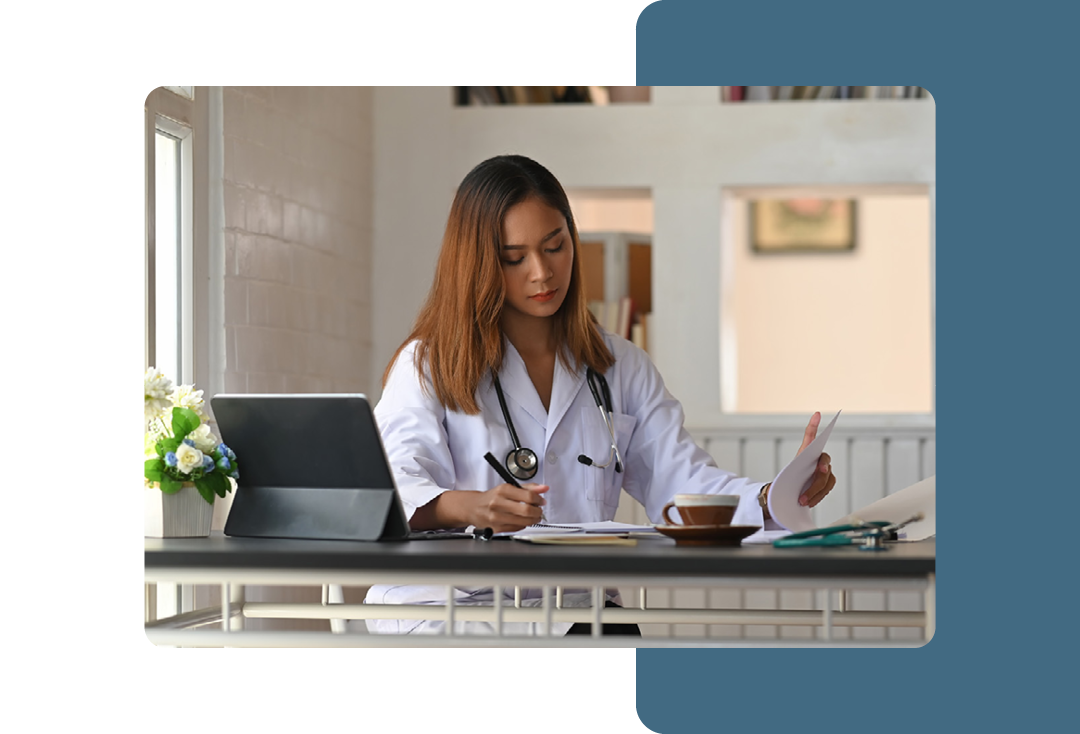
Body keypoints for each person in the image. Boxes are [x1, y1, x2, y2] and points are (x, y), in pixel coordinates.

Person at [362, 154, 837, 635]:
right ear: (478, 263)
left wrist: (773, 494)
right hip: (451, 608)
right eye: (514, 258)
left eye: (555, 246)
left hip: (573, 608)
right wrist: (468, 506)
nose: (542, 273)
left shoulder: (620, 366)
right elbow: (389, 484)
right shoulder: (427, 364)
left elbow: (683, 482)